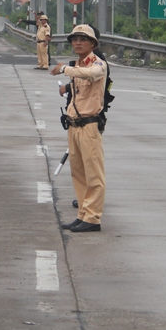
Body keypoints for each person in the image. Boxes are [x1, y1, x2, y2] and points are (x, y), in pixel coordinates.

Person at [50, 24, 107, 232]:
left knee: (94, 175)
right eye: (74, 39)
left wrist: (64, 69)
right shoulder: (78, 66)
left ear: (93, 43)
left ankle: (93, 218)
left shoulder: (98, 64)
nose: (78, 42)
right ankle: (83, 214)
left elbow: (91, 74)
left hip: (89, 126)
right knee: (79, 174)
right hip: (74, 126)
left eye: (83, 39)